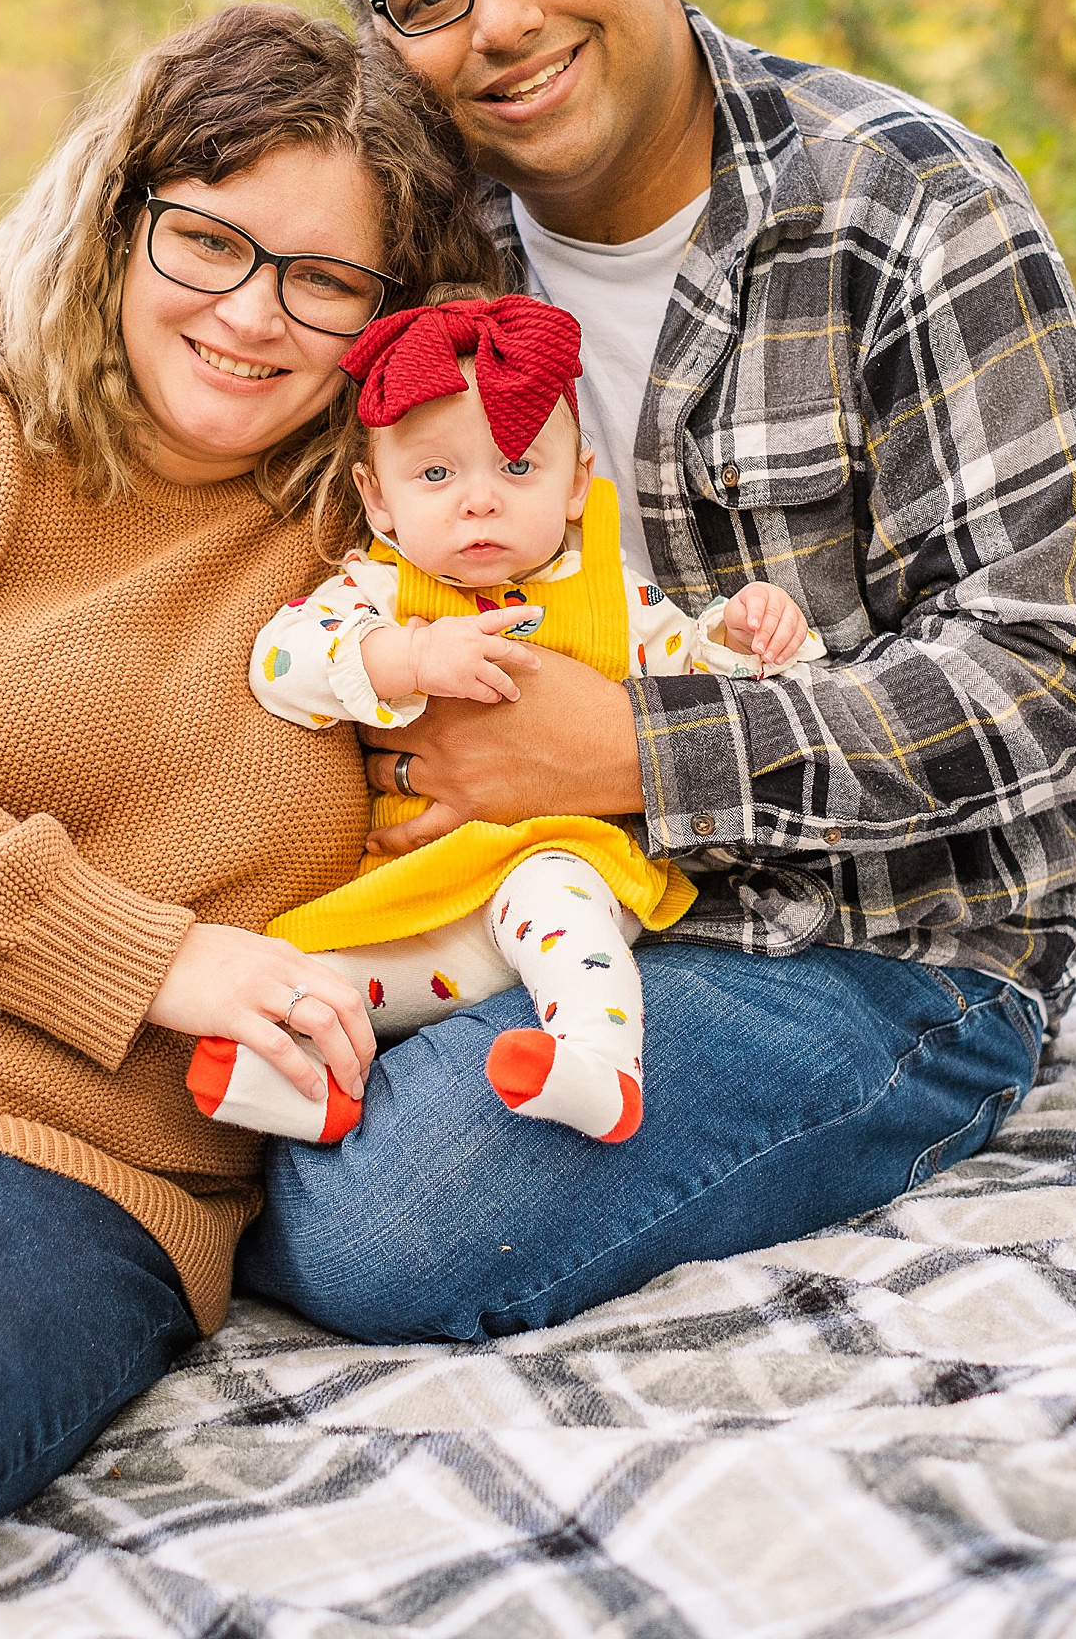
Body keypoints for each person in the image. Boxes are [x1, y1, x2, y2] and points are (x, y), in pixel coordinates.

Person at [230, 0, 1076, 1343]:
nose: (499, 18)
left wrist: (635, 748)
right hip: (487, 894)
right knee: (229, 1094)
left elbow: (1056, 679)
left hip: (886, 939)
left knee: (387, 1207)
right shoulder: (430, 245)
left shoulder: (905, 201)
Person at [0, 2, 493, 1629]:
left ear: (395, 311)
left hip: (55, 1154)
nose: (251, 317)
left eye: (326, 281)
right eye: (207, 241)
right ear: (120, 214)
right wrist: (146, 955)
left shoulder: (403, 539)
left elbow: (528, 788)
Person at [191, 290, 818, 1145]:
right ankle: (306, 1092)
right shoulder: (375, 591)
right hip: (426, 894)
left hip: (571, 862)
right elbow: (279, 665)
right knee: (318, 978)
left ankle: (598, 1064)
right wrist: (404, 658)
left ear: (576, 483)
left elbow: (696, 682)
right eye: (436, 474)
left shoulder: (614, 593)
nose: (478, 501)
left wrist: (743, 637)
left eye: (517, 467)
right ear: (377, 500)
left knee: (554, 905)